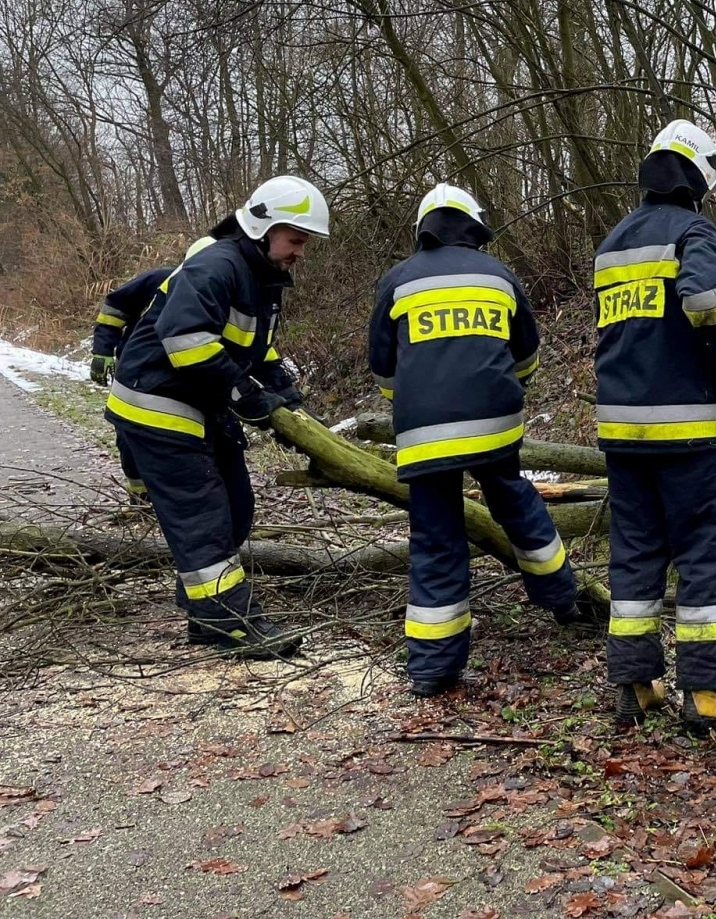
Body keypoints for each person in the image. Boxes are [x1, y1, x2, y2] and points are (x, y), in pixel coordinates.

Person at [368, 184, 598, 698]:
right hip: (495, 423)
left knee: (435, 538)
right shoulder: (499, 276)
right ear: (475, 227)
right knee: (515, 500)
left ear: (423, 230)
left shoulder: (397, 281)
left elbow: (383, 369)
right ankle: (563, 598)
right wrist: (504, 389)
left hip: (422, 433)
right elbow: (527, 356)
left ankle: (432, 668)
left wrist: (415, 396)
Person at [593, 119, 716, 734]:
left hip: (620, 429)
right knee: (706, 550)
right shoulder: (695, 230)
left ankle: (637, 682)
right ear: (698, 175)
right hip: (685, 429)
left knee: (636, 551)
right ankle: (712, 689)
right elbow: (708, 302)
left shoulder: (615, 241)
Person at [105, 177, 325, 657]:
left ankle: (205, 615)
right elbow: (184, 338)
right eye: (296, 241)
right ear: (265, 228)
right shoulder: (217, 265)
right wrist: (244, 393)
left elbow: (255, 346)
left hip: (200, 402)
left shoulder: (259, 277)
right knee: (202, 517)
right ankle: (231, 625)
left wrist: (286, 393)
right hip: (158, 403)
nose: (299, 253)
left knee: (237, 507)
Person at [91, 237, 216, 498]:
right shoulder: (159, 279)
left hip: (182, 376)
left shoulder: (219, 293)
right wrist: (102, 350)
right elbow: (114, 308)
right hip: (135, 370)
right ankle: (140, 493)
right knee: (130, 432)